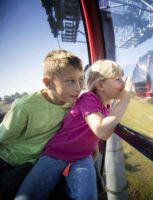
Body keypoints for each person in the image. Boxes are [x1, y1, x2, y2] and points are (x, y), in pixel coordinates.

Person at [15, 60, 132, 200]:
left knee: (87, 196)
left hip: (82, 157)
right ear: (100, 84)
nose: (123, 83)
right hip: (56, 153)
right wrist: (124, 100)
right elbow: (101, 130)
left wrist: (92, 146)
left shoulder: (107, 108)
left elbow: (90, 129)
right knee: (28, 196)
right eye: (118, 79)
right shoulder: (88, 98)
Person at [0, 49, 83, 200]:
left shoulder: (73, 105)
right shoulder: (25, 106)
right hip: (7, 160)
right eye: (71, 81)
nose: (78, 87)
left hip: (34, 163)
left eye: (81, 80)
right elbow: (3, 136)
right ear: (48, 83)